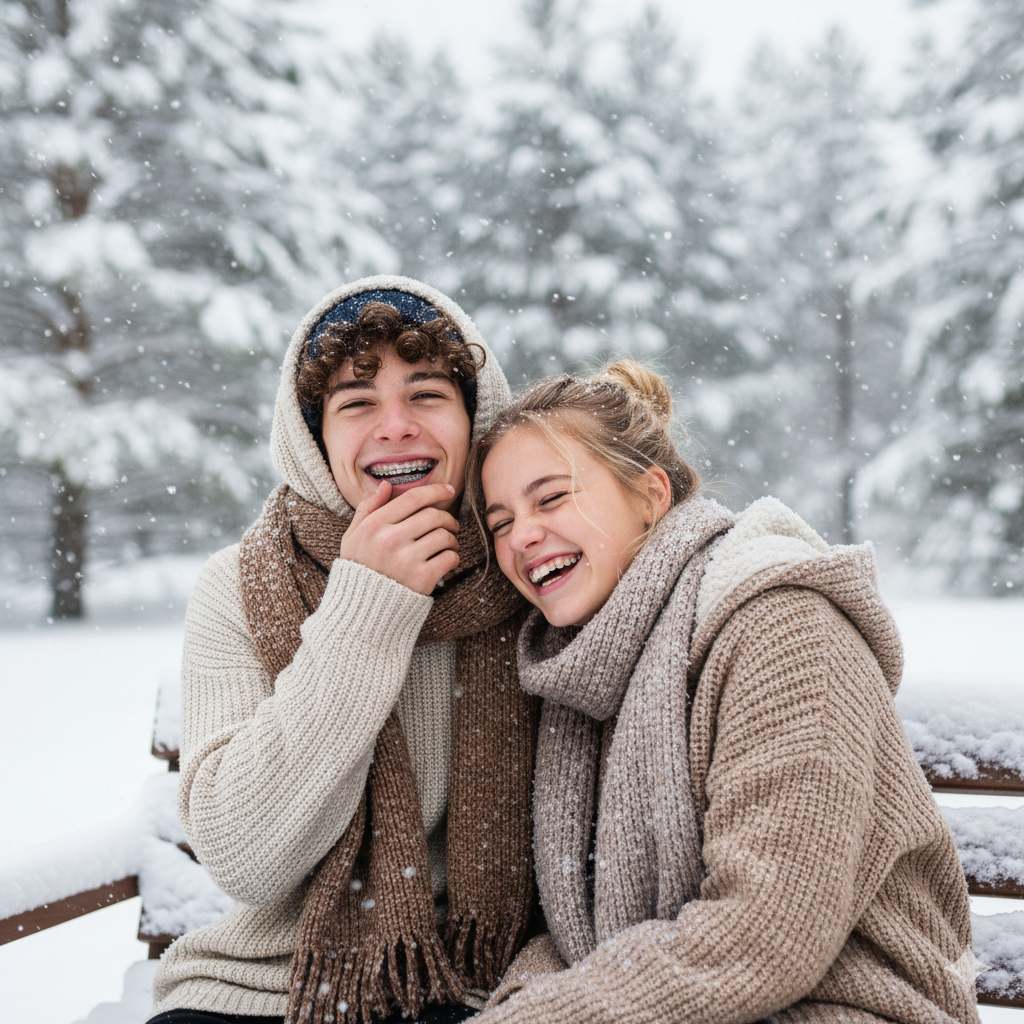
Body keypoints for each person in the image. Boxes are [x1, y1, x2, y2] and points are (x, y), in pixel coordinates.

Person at [465, 360, 980, 1024]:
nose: (523, 536)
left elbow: (766, 930)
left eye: (552, 497)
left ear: (650, 496)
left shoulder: (782, 628)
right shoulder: (582, 668)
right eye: (501, 521)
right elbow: (573, 930)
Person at [149, 277, 537, 1024]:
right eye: (357, 403)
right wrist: (365, 608)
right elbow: (246, 859)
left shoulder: (531, 562)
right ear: (314, 440)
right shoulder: (239, 585)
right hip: (268, 983)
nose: (394, 426)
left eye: (427, 395)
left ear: (474, 421)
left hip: (485, 981)